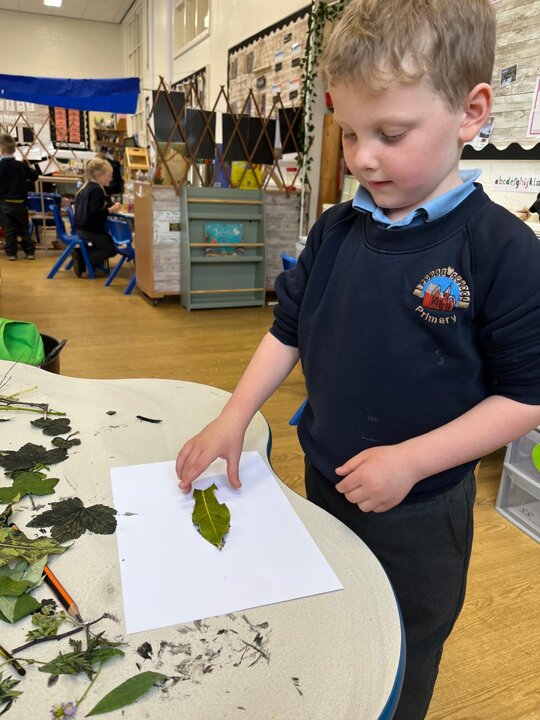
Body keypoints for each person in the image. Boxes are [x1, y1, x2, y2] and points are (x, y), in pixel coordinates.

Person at [176, 1, 540, 718]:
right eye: (349, 132)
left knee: (404, 641)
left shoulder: (502, 250)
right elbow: (287, 330)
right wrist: (232, 416)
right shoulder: (336, 228)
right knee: (340, 609)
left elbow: (526, 396)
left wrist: (411, 462)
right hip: (327, 473)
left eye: (390, 134)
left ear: (470, 113)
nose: (363, 158)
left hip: (421, 506)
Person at [72, 157, 121, 277]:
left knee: (105, 242)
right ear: (98, 175)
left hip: (81, 229)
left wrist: (110, 205)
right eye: (109, 175)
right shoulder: (96, 190)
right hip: (90, 230)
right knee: (112, 249)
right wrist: (110, 210)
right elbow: (94, 212)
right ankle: (82, 257)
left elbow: (100, 203)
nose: (111, 178)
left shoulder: (86, 188)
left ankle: (85, 256)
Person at [0, 133, 39, 260]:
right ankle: (29, 252)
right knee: (24, 228)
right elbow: (35, 176)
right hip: (21, 203)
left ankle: (11, 253)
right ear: (14, 150)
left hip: (5, 204)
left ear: (1, 151)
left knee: (9, 230)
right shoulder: (21, 166)